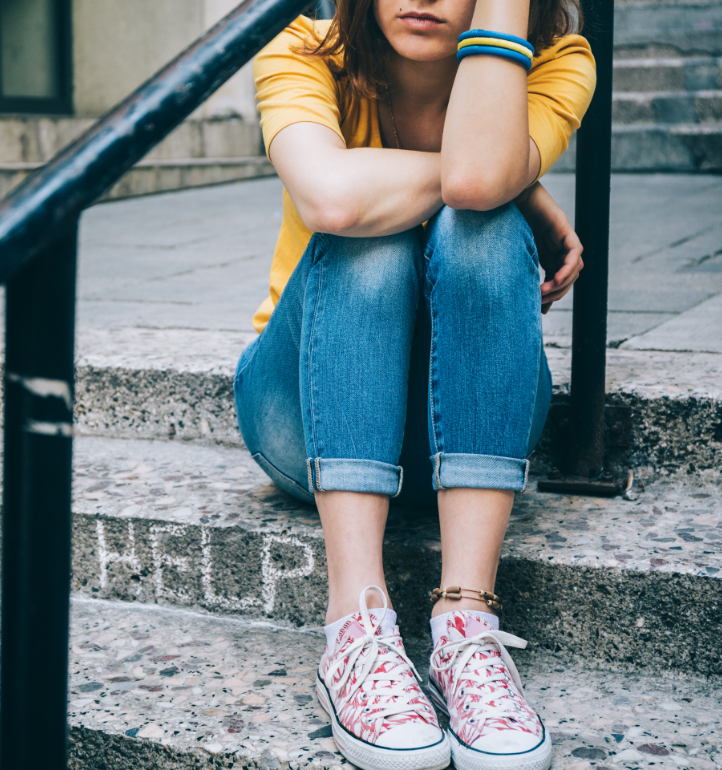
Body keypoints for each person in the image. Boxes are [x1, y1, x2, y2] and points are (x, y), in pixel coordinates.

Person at [234, 1, 594, 769]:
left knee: (482, 225)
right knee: (379, 232)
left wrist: (492, 188)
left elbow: (469, 190)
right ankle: (355, 627)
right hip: (305, 414)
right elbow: (331, 195)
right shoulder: (304, 48)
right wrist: (512, 183)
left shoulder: (557, 60)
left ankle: (466, 626)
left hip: (464, 425)